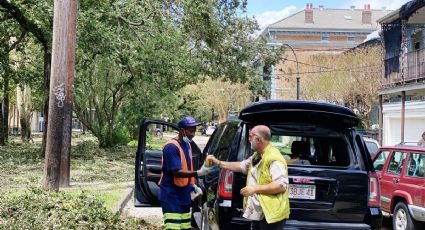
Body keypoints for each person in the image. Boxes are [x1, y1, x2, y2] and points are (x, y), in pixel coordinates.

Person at [207, 125, 289, 230]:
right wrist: (218, 163)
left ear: (258, 139)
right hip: (260, 213)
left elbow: (280, 185)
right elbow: (241, 166)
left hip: (271, 215)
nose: (249, 139)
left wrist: (254, 188)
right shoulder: (257, 156)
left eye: (251, 136)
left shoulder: (273, 158)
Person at [158, 116, 217, 230]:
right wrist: (198, 173)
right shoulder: (171, 147)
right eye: (191, 131)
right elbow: (176, 172)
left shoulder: (187, 145)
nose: (193, 134)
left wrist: (191, 185)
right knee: (173, 227)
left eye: (195, 131)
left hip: (184, 194)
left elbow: (186, 166)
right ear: (182, 131)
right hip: (171, 195)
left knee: (185, 227)